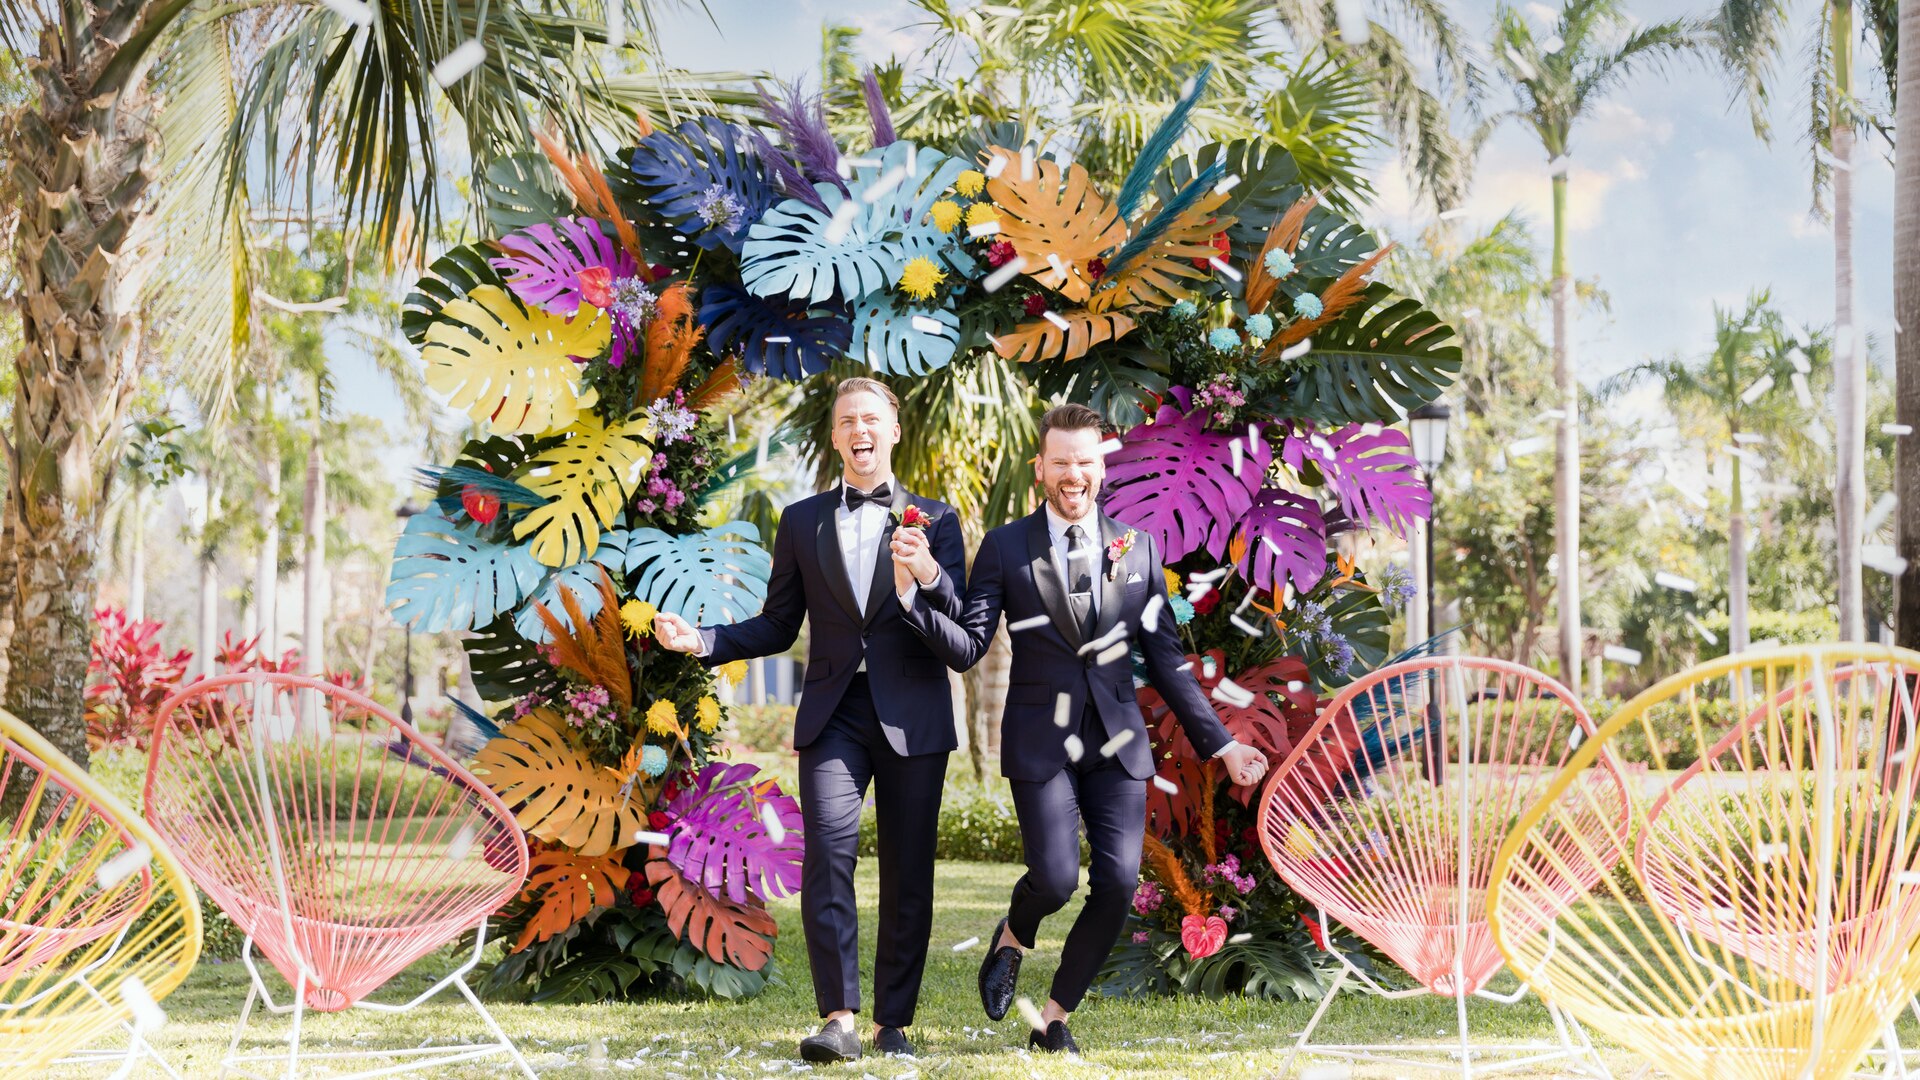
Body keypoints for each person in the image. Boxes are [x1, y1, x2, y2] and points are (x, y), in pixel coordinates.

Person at [888, 402, 1268, 1055]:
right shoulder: (1007, 546)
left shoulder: (1138, 548)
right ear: (1041, 468)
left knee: (1118, 881)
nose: (1074, 475)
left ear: (1102, 467)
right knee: (1057, 877)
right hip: (1041, 739)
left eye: (1085, 462)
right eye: (1061, 462)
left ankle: (1055, 1017)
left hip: (1117, 742)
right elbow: (972, 642)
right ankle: (1014, 932)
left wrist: (1223, 742)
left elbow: (1169, 664)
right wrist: (911, 601)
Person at [653, 377, 965, 1063]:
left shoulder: (937, 520)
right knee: (827, 856)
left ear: (893, 431)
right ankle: (839, 1019)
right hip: (833, 713)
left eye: (872, 419)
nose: (860, 429)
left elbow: (959, 626)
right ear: (834, 436)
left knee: (909, 871)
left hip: (914, 713)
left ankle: (894, 1022)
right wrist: (702, 640)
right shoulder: (801, 521)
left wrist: (927, 578)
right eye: (847, 419)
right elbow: (777, 623)